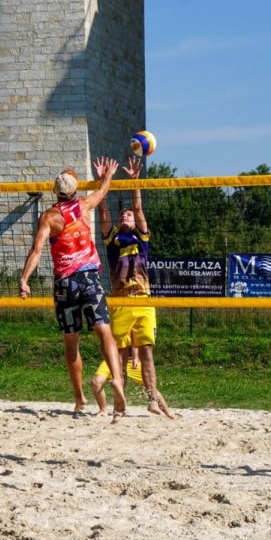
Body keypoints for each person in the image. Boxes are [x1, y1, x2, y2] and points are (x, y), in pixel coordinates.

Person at [19, 156, 127, 419]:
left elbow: (36, 250)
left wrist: (24, 279)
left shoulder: (48, 217)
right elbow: (102, 192)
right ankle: (117, 381)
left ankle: (79, 399)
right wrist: (108, 175)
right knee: (105, 332)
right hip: (89, 277)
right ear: (75, 191)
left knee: (72, 342)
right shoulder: (83, 205)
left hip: (65, 284)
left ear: (55, 192)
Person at [99, 154, 177, 418]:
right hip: (120, 300)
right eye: (124, 214)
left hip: (142, 298)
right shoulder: (113, 241)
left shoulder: (141, 237)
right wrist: (103, 183)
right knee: (119, 355)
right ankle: (119, 402)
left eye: (129, 215)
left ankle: (152, 399)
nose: (126, 216)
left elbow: (139, 207)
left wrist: (135, 181)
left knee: (145, 352)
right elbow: (103, 213)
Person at [89, 333, 145, 415]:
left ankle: (164, 410)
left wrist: (136, 357)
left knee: (150, 386)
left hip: (129, 360)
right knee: (96, 382)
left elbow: (133, 338)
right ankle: (103, 410)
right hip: (112, 358)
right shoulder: (107, 323)